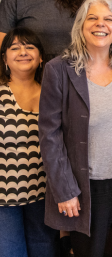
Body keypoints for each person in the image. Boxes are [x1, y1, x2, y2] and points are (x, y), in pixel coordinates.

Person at [38, 0, 112, 257]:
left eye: (107, 19)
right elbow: (50, 135)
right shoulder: (58, 70)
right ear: (81, 25)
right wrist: (65, 190)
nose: (100, 24)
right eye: (92, 18)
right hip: (89, 185)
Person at [0, 27, 59, 257]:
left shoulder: (53, 94)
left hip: (45, 194)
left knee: (46, 252)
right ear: (4, 58)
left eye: (30, 46)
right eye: (14, 48)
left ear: (41, 57)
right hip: (4, 197)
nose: (22, 52)